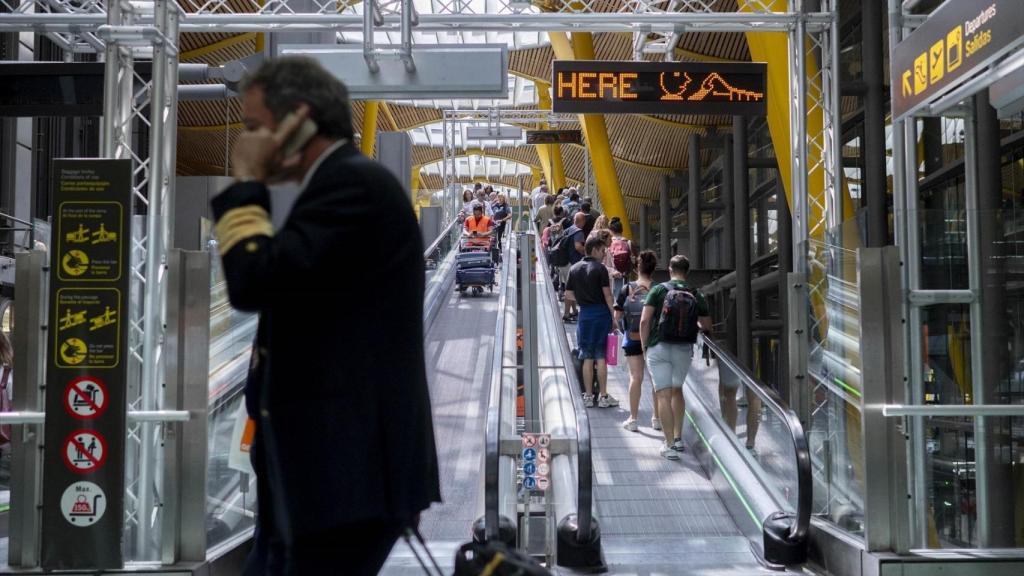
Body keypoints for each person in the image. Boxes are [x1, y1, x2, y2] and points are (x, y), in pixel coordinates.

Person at [211, 56, 440, 575]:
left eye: (255, 127)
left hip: (344, 479)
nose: (245, 142)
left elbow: (254, 280)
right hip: (324, 476)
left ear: (298, 120)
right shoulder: (339, 185)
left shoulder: (352, 188)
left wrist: (245, 183)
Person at [639, 255, 711, 461]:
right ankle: (679, 438)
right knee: (677, 390)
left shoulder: (658, 290)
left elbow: (644, 321)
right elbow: (706, 325)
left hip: (659, 347)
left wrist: (645, 346)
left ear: (670, 269)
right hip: (683, 349)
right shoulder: (696, 294)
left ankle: (669, 444)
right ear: (687, 272)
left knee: (663, 395)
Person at [565, 235, 619, 409]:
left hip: (585, 315)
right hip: (601, 314)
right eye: (603, 251)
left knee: (587, 355)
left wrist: (582, 300)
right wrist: (613, 317)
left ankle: (588, 396)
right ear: (594, 250)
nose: (604, 254)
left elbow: (568, 294)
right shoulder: (600, 269)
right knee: (601, 356)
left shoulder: (574, 268)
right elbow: (608, 295)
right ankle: (603, 396)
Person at [614, 251, 658, 432]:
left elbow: (617, 316)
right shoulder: (658, 289)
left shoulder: (627, 288)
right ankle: (657, 418)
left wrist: (623, 328)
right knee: (656, 379)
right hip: (654, 339)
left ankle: (633, 419)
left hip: (632, 338)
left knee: (635, 377)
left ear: (637, 267)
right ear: (654, 268)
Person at [606, 217, 636, 298]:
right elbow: (634, 260)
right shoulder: (628, 243)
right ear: (622, 229)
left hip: (612, 276)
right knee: (624, 297)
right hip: (625, 275)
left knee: (613, 297)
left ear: (610, 230)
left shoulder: (608, 243)